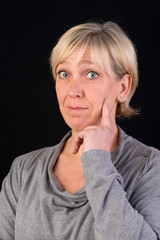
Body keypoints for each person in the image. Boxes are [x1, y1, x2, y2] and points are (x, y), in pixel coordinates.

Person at [0, 21, 160, 240]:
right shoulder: (24, 170)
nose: (73, 91)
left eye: (91, 74)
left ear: (122, 88)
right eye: (64, 74)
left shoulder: (149, 167)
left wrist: (97, 160)